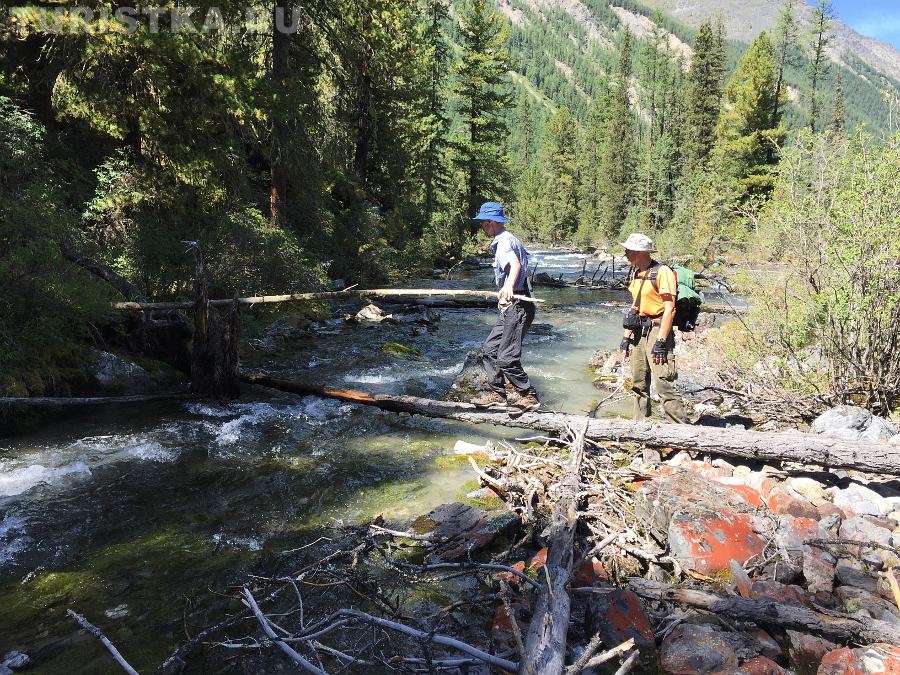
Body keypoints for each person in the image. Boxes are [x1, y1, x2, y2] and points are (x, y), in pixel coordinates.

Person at [470, 201, 541, 415]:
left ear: (491, 223)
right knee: (490, 350)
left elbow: (516, 265)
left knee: (506, 357)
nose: (482, 227)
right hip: (512, 306)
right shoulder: (505, 239)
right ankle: (497, 393)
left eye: (483, 223)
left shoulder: (504, 242)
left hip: (519, 304)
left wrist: (509, 286)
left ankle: (528, 395)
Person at [619, 233, 688, 423]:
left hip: (658, 330)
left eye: (628, 251)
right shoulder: (636, 273)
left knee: (663, 383)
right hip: (639, 332)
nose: (625, 254)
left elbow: (670, 309)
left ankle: (681, 431)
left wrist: (661, 341)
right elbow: (635, 306)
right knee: (638, 382)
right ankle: (640, 426)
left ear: (639, 252)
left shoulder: (662, 272)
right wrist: (626, 338)